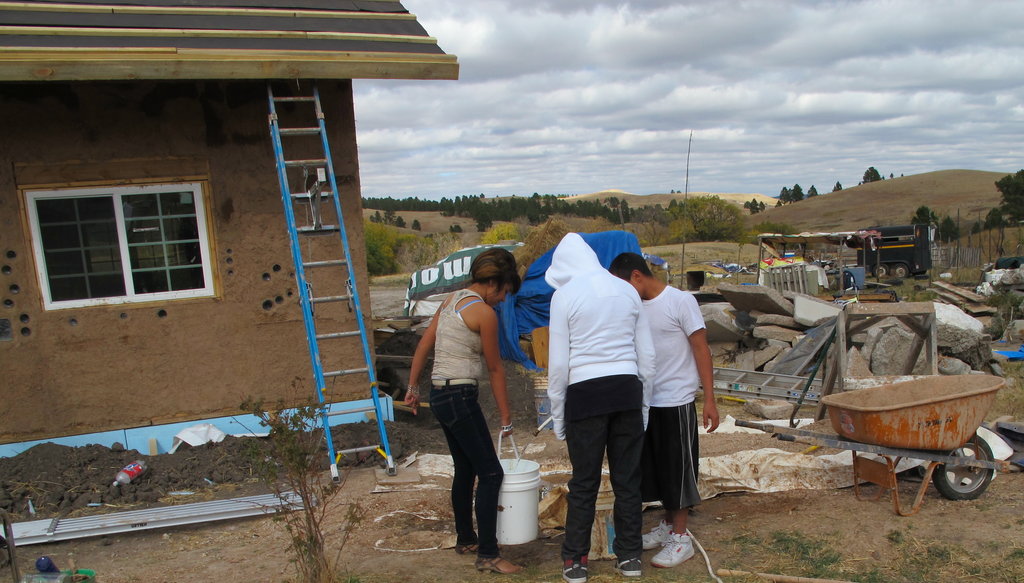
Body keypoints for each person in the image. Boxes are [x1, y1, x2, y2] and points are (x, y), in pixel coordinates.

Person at [545, 233, 656, 583]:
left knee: (584, 483)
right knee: (627, 481)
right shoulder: (626, 290)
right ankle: (630, 557)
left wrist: (559, 416)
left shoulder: (564, 296)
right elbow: (647, 358)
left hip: (584, 394)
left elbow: (559, 366)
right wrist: (644, 405)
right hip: (626, 390)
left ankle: (575, 561)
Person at [405, 248, 523, 575]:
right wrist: (506, 417)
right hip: (459, 395)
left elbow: (424, 345)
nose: (503, 300)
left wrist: (413, 389)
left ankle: (465, 538)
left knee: (465, 468)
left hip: (440, 396)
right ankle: (488, 553)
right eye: (504, 293)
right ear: (495, 284)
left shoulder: (451, 300)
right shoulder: (484, 314)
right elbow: (496, 369)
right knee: (491, 473)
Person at [609, 252, 720, 569]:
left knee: (678, 471)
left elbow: (701, 348)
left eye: (624, 285)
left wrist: (709, 399)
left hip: (677, 400)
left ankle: (681, 538)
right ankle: (668, 525)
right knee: (655, 471)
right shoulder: (633, 306)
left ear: (636, 276)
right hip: (646, 402)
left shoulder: (680, 301)